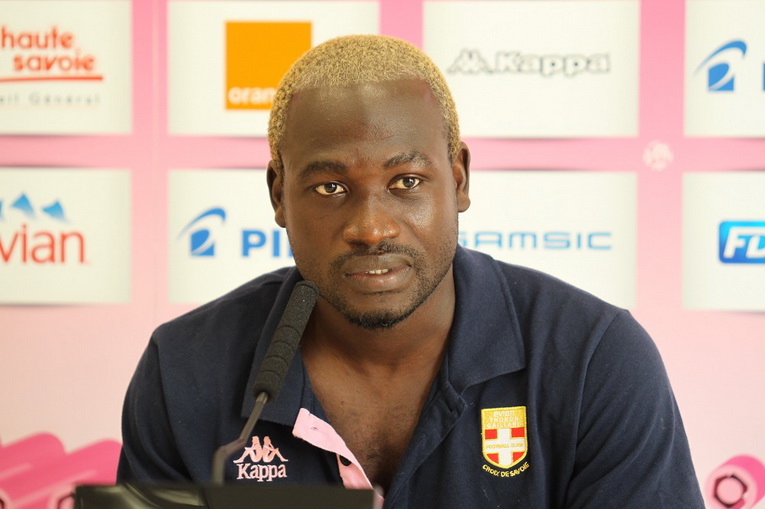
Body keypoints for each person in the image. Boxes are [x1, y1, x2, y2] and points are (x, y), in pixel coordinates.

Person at [118, 35, 704, 507]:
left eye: (407, 181)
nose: (371, 228)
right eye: (331, 187)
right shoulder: (185, 369)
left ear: (460, 180)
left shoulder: (594, 359)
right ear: (278, 196)